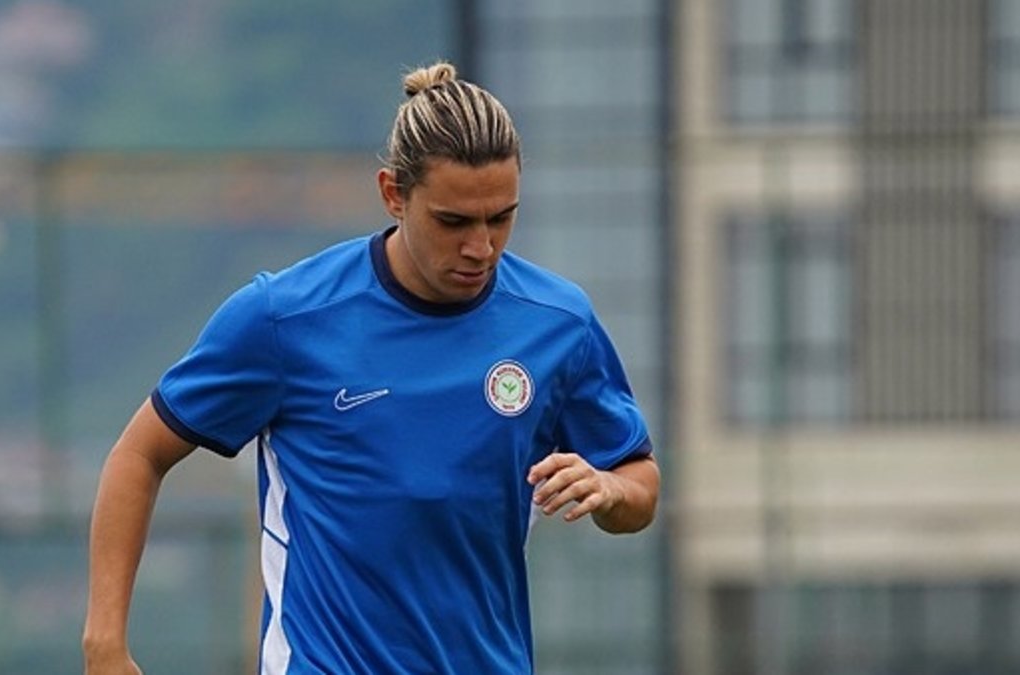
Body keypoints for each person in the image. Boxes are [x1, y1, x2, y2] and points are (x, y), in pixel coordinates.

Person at [82, 61, 660, 674]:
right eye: (453, 221)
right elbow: (139, 455)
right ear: (393, 194)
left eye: (501, 218)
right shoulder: (285, 318)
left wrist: (611, 490)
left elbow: (639, 482)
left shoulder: (558, 324)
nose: (481, 247)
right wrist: (104, 644)